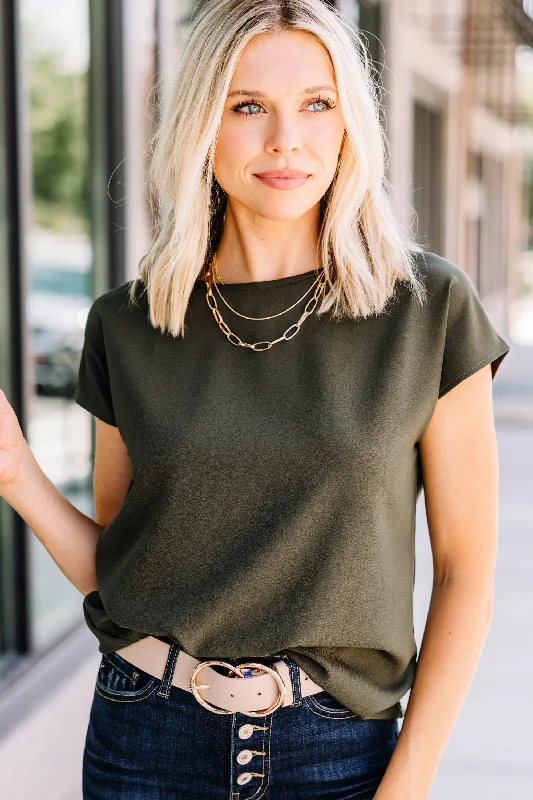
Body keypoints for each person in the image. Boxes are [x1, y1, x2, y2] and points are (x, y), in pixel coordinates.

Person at [0, 1, 510, 798]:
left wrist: (407, 783)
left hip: (339, 753)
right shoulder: (129, 324)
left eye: (316, 104)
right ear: (204, 124)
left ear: (350, 124)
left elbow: (465, 573)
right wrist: (15, 477)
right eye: (248, 107)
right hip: (144, 740)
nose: (285, 139)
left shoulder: (427, 309)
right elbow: (121, 571)